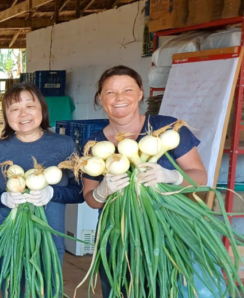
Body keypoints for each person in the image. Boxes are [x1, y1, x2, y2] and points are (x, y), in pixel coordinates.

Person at [80, 65, 207, 297]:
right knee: (117, 290)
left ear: (140, 93)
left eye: (127, 90)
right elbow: (90, 199)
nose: (119, 98)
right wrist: (102, 192)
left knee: (163, 290)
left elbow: (200, 177)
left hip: (166, 233)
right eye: (110, 92)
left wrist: (172, 176)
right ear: (100, 98)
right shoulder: (95, 144)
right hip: (116, 234)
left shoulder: (167, 128)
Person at [0, 83, 83, 296]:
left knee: (46, 290)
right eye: (14, 109)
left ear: (42, 109)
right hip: (7, 237)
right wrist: (4, 199)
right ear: (6, 115)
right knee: (11, 290)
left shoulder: (64, 144)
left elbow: (79, 192)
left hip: (49, 237)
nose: (22, 114)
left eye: (29, 106)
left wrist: (52, 193)